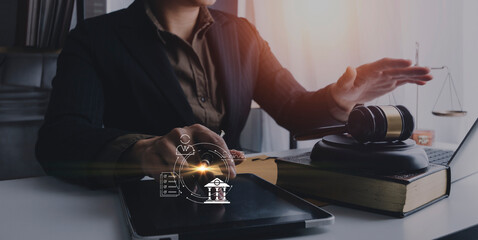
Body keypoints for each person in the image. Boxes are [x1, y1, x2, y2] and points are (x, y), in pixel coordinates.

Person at [35, 0, 432, 188]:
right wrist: (143, 150)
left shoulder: (242, 34)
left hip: (237, 196)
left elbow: (293, 109)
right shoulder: (94, 38)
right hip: (147, 200)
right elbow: (60, 139)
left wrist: (338, 99)